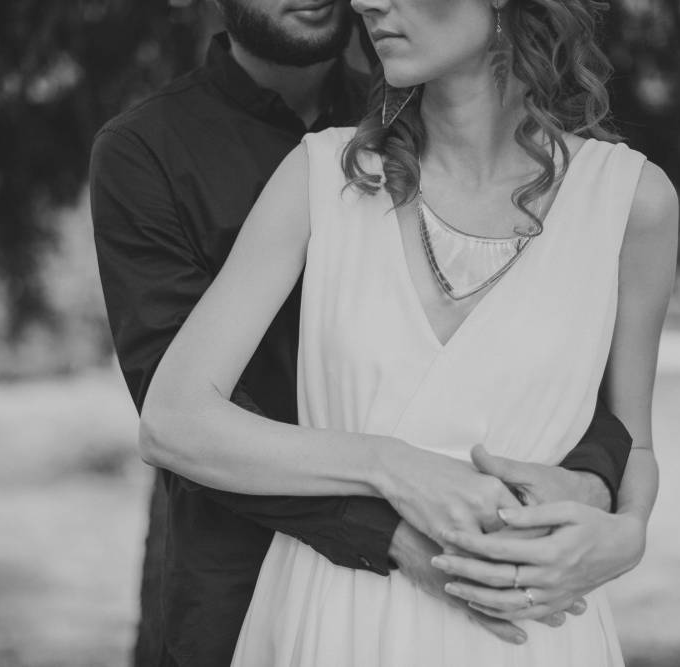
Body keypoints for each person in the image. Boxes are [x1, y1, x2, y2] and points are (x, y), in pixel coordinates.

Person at [91, 0, 651, 664]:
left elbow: (588, 406)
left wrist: (610, 509)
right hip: (273, 586)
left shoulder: (419, 93)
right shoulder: (208, 155)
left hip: (516, 604)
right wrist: (397, 496)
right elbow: (178, 420)